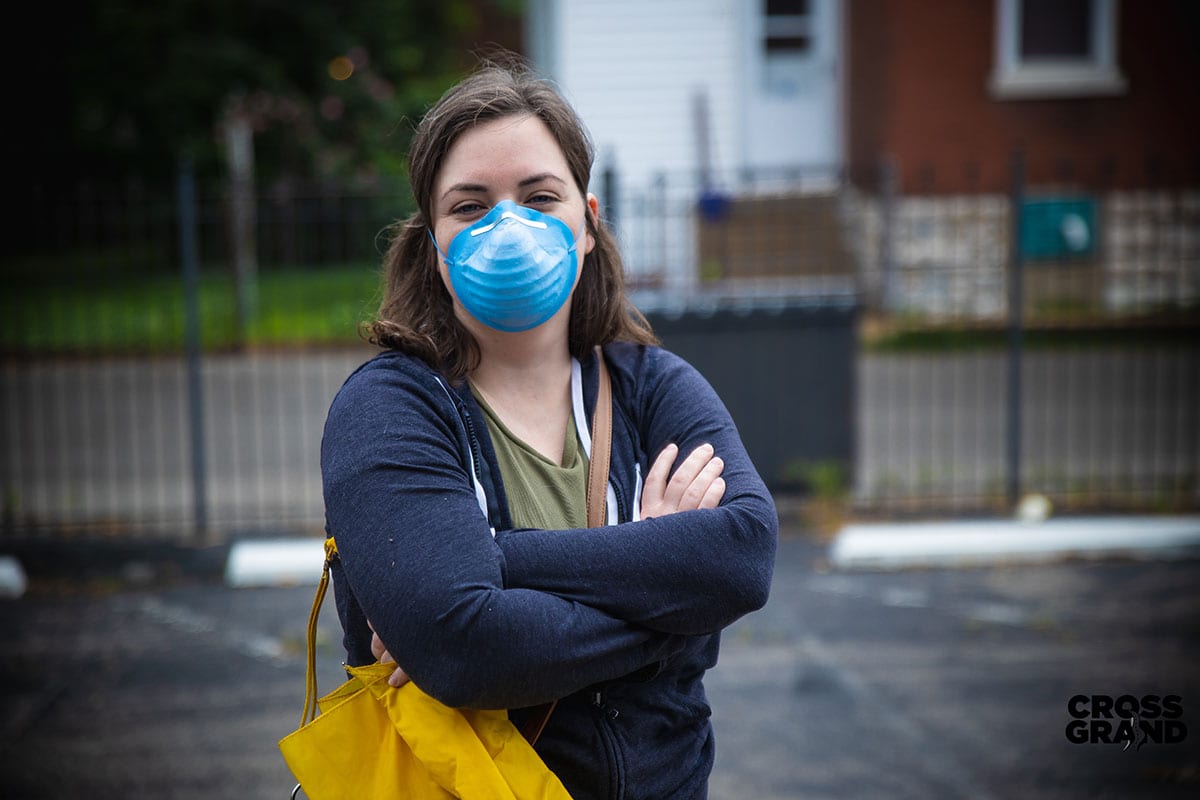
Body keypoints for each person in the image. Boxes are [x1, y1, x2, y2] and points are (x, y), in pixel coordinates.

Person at [320, 55, 778, 800]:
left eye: (539, 196)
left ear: (587, 224)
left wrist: (499, 559)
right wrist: (669, 599)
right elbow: (466, 648)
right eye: (470, 206)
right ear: (433, 244)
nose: (509, 225)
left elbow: (743, 558)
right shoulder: (390, 409)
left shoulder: (650, 386)